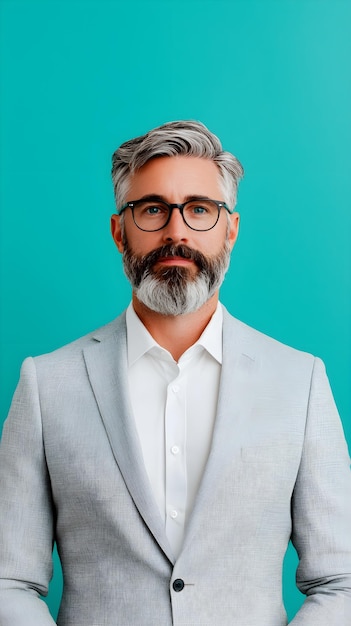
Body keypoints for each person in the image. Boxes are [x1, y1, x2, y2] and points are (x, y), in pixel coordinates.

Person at [0, 121, 350, 626]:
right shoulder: (46, 385)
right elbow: (9, 581)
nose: (176, 232)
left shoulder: (301, 383)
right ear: (120, 231)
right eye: (152, 209)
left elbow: (341, 580)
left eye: (200, 210)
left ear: (230, 229)